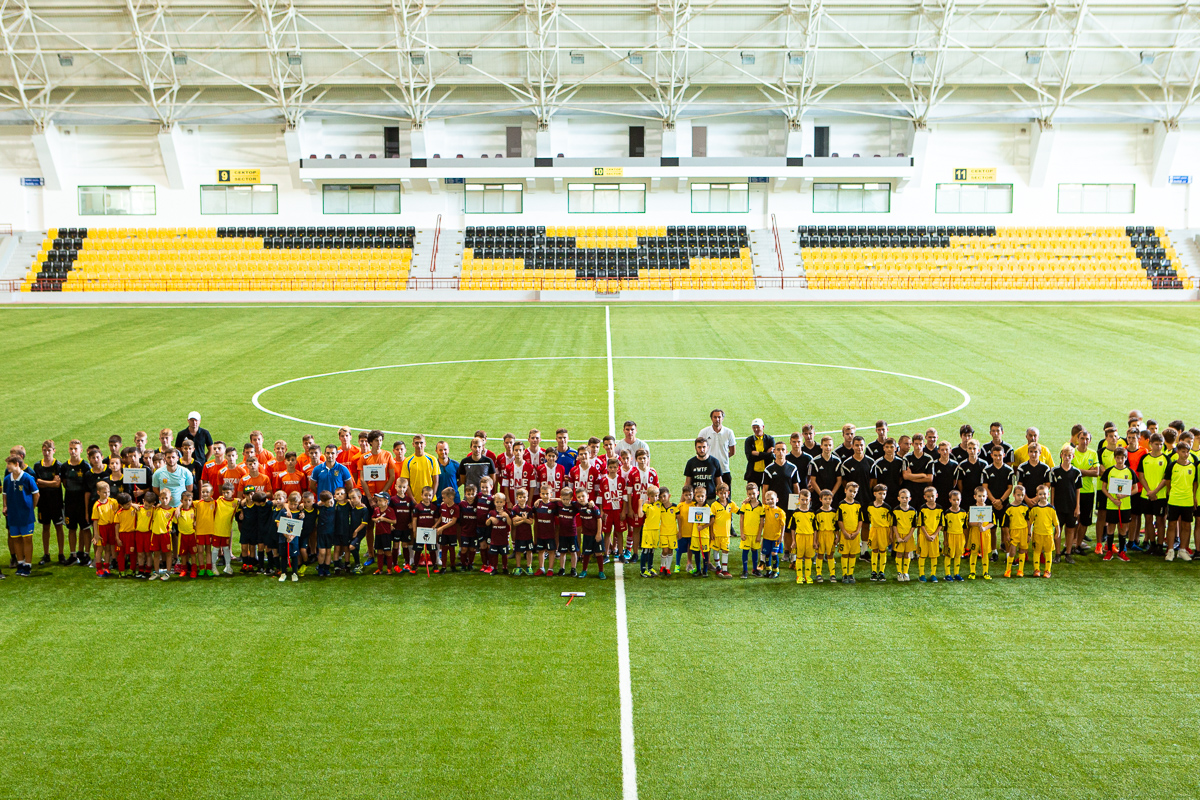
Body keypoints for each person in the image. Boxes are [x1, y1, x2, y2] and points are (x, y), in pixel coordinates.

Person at [3, 454, 40, 577]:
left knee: (27, 539)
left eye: (9, 464)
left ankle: (28, 565)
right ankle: (20, 564)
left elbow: (36, 494)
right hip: (13, 514)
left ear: (17, 464)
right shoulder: (7, 479)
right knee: (16, 539)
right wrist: (5, 506)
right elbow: (5, 494)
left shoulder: (28, 478)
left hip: (26, 515)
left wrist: (31, 507)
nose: (7, 466)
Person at [1163, 443, 1198, 561]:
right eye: (1183, 451)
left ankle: (1182, 550)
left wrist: (1193, 497)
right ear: (1178, 451)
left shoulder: (1193, 466)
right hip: (1174, 499)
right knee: (1172, 524)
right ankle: (1171, 550)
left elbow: (1195, 483)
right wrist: (1171, 492)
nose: (1186, 454)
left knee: (1186, 525)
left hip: (1187, 501)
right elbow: (1168, 481)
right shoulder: (1172, 466)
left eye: (1187, 452)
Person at [1099, 447, 1135, 562]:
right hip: (1112, 504)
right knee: (1111, 527)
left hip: (1125, 505)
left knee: (1123, 528)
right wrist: (1112, 499)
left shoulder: (1130, 472)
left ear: (1126, 458)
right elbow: (1104, 488)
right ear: (1114, 458)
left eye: (1122, 458)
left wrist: (1123, 496)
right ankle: (1109, 550)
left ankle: (1122, 551)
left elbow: (1135, 489)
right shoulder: (1110, 471)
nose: (1120, 460)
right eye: (1118, 458)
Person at [60, 439, 91, 567]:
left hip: (82, 503)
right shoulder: (64, 466)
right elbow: (64, 483)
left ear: (81, 450)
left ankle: (86, 554)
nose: (73, 451)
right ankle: (73, 555)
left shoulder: (85, 466)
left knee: (85, 528)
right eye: (71, 448)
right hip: (69, 502)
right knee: (71, 529)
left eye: (76, 449)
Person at [34, 440, 64, 565]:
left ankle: (61, 554)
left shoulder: (58, 465)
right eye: (44, 450)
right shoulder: (37, 466)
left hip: (56, 501)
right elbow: (36, 483)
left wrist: (42, 482)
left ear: (54, 451)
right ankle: (46, 554)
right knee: (45, 527)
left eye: (49, 450)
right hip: (43, 502)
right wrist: (50, 482)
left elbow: (57, 484)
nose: (46, 453)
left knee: (59, 527)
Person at [1050, 445, 1082, 565]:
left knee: (1070, 530)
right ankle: (1057, 554)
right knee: (1058, 529)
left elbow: (1078, 490)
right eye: (1065, 455)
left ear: (1072, 456)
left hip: (1071, 505)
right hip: (1058, 505)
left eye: (1069, 455)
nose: (1067, 457)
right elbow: (1052, 489)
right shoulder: (1055, 471)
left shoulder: (1076, 472)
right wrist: (1052, 504)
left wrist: (1077, 506)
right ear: (1061, 455)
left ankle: (1068, 553)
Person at [761, 443, 802, 517]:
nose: (780, 452)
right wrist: (765, 505)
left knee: (789, 526)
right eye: (778, 449)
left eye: (783, 449)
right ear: (774, 452)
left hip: (789, 502)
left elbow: (796, 486)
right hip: (774, 503)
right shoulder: (768, 469)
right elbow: (765, 489)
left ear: (786, 451)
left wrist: (797, 504)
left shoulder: (793, 468)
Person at [698, 409, 736, 487]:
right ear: (711, 418)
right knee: (708, 496)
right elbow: (699, 449)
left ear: (722, 418)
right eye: (715, 417)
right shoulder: (704, 432)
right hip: (708, 470)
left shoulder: (729, 432)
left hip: (724, 470)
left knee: (726, 497)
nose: (717, 419)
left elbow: (732, 451)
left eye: (719, 417)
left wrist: (722, 458)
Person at [1028, 486, 1060, 578]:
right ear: (1037, 495)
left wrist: (1058, 531)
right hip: (1037, 534)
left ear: (1048, 494)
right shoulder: (1035, 508)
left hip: (1048, 534)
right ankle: (1036, 569)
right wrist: (1029, 533)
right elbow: (1030, 522)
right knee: (1037, 552)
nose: (1043, 496)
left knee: (1048, 552)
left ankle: (1047, 570)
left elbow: (1056, 522)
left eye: (1044, 494)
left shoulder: (1051, 508)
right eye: (1040, 494)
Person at [966, 486, 995, 580]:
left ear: (986, 497)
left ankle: (985, 572)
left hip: (985, 534)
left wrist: (984, 528)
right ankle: (972, 572)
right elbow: (969, 523)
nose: (981, 498)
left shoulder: (989, 510)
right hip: (975, 534)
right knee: (973, 552)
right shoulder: (972, 509)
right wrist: (977, 524)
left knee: (985, 553)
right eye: (979, 496)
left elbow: (992, 523)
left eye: (983, 496)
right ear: (975, 497)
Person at [836, 482, 863, 583]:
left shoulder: (858, 505)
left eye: (854, 492)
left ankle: (851, 574)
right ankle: (844, 574)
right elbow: (840, 520)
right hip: (845, 534)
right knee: (845, 554)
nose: (852, 494)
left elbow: (860, 520)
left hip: (855, 534)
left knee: (852, 554)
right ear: (845, 490)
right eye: (850, 491)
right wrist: (844, 532)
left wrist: (857, 532)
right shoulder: (841, 505)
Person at [399, 435, 438, 503]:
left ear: (425, 444)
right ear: (413, 444)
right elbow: (406, 483)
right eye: (416, 443)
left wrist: (430, 498)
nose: (419, 445)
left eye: (421, 443)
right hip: (414, 500)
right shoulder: (408, 461)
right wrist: (413, 500)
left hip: (430, 500)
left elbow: (436, 481)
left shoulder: (432, 460)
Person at [865, 483, 892, 582]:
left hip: (884, 530)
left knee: (883, 550)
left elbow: (890, 522)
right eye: (880, 493)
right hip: (874, 530)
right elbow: (869, 518)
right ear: (875, 494)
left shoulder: (887, 507)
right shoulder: (870, 506)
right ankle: (873, 571)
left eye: (884, 494)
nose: (882, 496)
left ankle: (881, 571)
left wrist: (890, 534)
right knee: (874, 550)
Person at [1003, 486, 1031, 578]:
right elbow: (1005, 524)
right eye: (1018, 495)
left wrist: (1029, 533)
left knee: (1022, 551)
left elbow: (1028, 521)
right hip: (1014, 532)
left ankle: (1020, 570)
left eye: (1022, 495)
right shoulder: (1009, 508)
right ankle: (1008, 570)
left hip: (1024, 531)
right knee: (1012, 552)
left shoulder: (1025, 507)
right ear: (1014, 495)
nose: (1020, 497)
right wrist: (1007, 534)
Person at [916, 487, 943, 582]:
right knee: (922, 555)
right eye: (928, 496)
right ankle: (921, 574)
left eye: (932, 496)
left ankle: (933, 574)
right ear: (925, 497)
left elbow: (940, 524)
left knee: (934, 556)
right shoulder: (922, 508)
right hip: (924, 536)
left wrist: (935, 535)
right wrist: (927, 535)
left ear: (936, 496)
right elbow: (921, 524)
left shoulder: (939, 509)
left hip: (934, 537)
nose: (931, 498)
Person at [791, 489, 817, 584]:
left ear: (809, 500)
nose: (804, 502)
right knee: (799, 557)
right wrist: (793, 541)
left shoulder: (812, 513)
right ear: (798, 499)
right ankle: (799, 576)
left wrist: (815, 541)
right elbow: (792, 528)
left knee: (808, 557)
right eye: (802, 499)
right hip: (799, 537)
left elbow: (815, 529)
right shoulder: (795, 513)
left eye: (806, 500)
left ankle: (808, 576)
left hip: (809, 537)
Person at [759, 490, 785, 579]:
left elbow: (783, 525)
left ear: (777, 499)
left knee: (774, 553)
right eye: (768, 499)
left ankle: (775, 571)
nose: (770, 501)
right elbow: (756, 503)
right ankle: (768, 570)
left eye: (772, 499)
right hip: (766, 536)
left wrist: (781, 536)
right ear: (765, 501)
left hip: (776, 537)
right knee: (767, 553)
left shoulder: (780, 512)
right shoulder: (765, 509)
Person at [813, 490, 838, 582]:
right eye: (825, 499)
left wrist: (837, 537)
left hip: (831, 535)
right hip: (821, 534)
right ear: (820, 499)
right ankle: (818, 574)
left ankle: (832, 574)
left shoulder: (834, 512)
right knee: (820, 554)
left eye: (829, 499)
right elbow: (815, 528)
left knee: (830, 554)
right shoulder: (818, 512)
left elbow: (836, 527)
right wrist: (815, 541)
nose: (827, 501)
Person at [942, 490, 967, 581]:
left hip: (960, 537)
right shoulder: (947, 513)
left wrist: (965, 539)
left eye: (958, 500)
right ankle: (947, 574)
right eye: (954, 500)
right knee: (949, 555)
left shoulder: (963, 513)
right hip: (950, 536)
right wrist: (945, 540)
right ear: (950, 500)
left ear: (960, 500)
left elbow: (965, 527)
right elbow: (945, 528)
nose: (956, 502)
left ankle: (956, 573)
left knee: (958, 555)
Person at [743, 419, 774, 484]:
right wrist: (766, 454)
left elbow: (772, 456)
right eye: (754, 427)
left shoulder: (770, 439)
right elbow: (750, 458)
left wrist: (757, 453)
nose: (756, 429)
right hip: (753, 474)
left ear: (763, 427)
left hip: (766, 472)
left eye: (758, 427)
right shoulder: (749, 440)